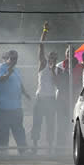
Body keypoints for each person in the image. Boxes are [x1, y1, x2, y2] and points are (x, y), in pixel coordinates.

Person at [0, 50, 30, 153]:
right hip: (4, 106)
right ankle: (1, 151)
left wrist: (25, 93)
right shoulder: (1, 67)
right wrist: (8, 73)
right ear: (7, 58)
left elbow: (19, 83)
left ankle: (23, 150)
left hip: (16, 106)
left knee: (19, 129)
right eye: (12, 58)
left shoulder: (16, 70)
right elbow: (0, 79)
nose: (14, 60)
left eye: (16, 58)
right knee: (3, 130)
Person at [31, 22, 57, 154]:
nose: (52, 58)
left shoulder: (56, 69)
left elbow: (57, 83)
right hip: (40, 98)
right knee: (37, 123)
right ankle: (34, 145)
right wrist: (45, 31)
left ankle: (50, 147)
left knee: (51, 124)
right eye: (51, 56)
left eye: (54, 57)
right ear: (48, 57)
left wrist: (53, 70)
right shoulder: (43, 63)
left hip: (51, 99)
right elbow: (41, 46)